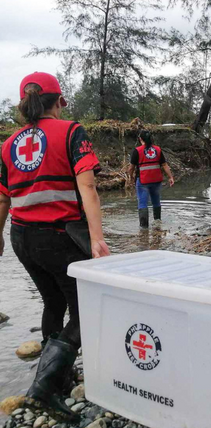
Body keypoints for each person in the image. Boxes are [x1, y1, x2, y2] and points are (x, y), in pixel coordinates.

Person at [0, 72, 110, 421]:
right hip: (58, 237)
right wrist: (97, 239)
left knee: (53, 301)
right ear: (59, 101)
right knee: (85, 311)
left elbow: (3, 199)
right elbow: (88, 188)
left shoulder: (8, 143)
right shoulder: (70, 131)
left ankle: (60, 376)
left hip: (21, 238)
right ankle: (44, 388)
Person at [128, 130, 174, 228]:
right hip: (156, 181)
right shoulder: (157, 149)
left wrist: (130, 178)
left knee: (142, 203)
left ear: (140, 139)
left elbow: (131, 167)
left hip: (143, 181)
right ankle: (157, 224)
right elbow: (165, 165)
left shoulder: (137, 151)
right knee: (156, 202)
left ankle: (144, 229)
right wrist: (170, 177)